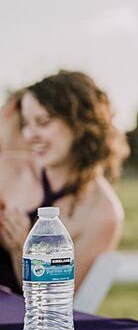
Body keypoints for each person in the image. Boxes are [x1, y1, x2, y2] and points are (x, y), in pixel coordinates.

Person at [0, 71, 128, 293]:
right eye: (26, 124)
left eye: (43, 122)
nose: (30, 135)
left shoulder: (103, 213)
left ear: (80, 124)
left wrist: (22, 250)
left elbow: (58, 300)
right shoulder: (7, 168)